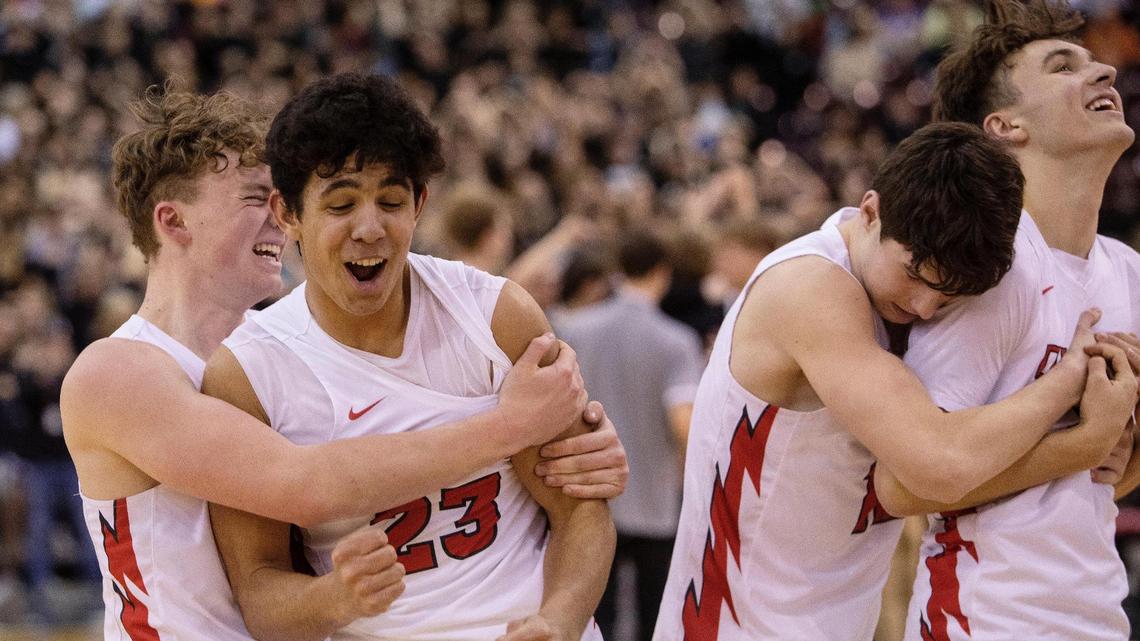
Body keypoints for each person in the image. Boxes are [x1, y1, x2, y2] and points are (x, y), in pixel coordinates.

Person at [61, 87, 628, 641]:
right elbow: (306, 486)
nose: (273, 222)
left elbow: (579, 503)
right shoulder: (123, 371)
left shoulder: (254, 352)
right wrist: (511, 425)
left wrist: (583, 444)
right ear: (174, 222)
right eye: (255, 199)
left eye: (273, 198)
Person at [652, 121, 1138, 641]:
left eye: (947, 298)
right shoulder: (811, 288)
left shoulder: (892, 299)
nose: (923, 307)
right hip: (732, 626)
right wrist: (1071, 398)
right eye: (914, 276)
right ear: (869, 210)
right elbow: (940, 466)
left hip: (829, 622)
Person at [867, 2, 1140, 639]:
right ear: (1005, 125)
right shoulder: (993, 268)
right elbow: (903, 484)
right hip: (982, 620)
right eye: (1062, 66)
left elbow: (1107, 476)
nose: (1101, 70)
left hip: (1096, 612)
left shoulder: (1126, 269)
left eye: (1093, 60)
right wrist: (1084, 441)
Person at [555, 230, 705, 641]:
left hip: (585, 494)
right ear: (663, 273)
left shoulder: (573, 327)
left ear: (618, 270)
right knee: (652, 617)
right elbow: (683, 424)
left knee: (591, 615)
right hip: (654, 499)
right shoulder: (676, 341)